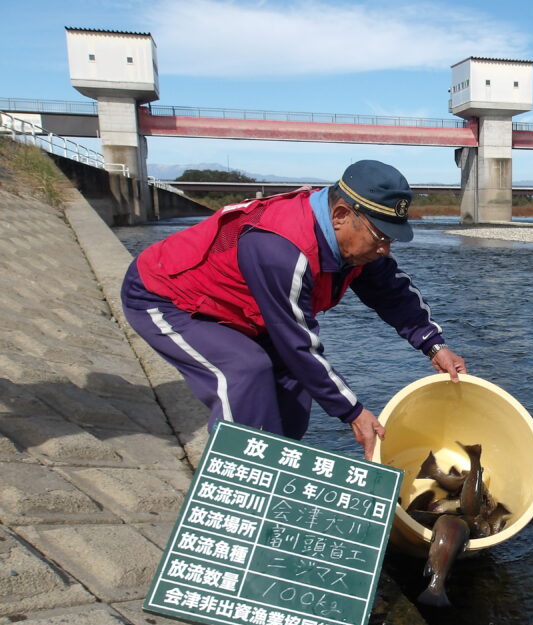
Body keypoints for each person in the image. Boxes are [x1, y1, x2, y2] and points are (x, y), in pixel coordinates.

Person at [120, 159, 467, 460]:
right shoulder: (282, 248)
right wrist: (354, 412)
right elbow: (298, 343)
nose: (385, 249)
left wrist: (433, 344)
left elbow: (391, 291)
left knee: (294, 393)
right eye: (381, 238)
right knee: (244, 371)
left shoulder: (357, 243)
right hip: (167, 297)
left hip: (246, 314)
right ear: (341, 215)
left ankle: (279, 487)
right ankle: (240, 495)